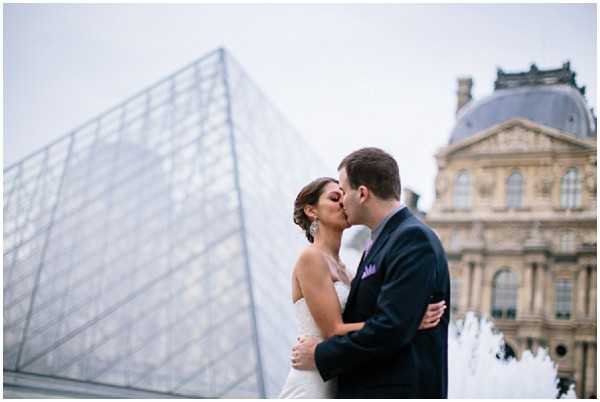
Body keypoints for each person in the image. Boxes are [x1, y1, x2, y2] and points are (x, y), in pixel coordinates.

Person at [290, 148, 450, 398]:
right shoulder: (373, 246)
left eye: (343, 193)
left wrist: (406, 322)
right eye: (335, 197)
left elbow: (390, 324)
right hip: (326, 378)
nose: (342, 201)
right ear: (312, 211)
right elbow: (380, 322)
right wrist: (409, 321)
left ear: (362, 193)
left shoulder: (410, 238)